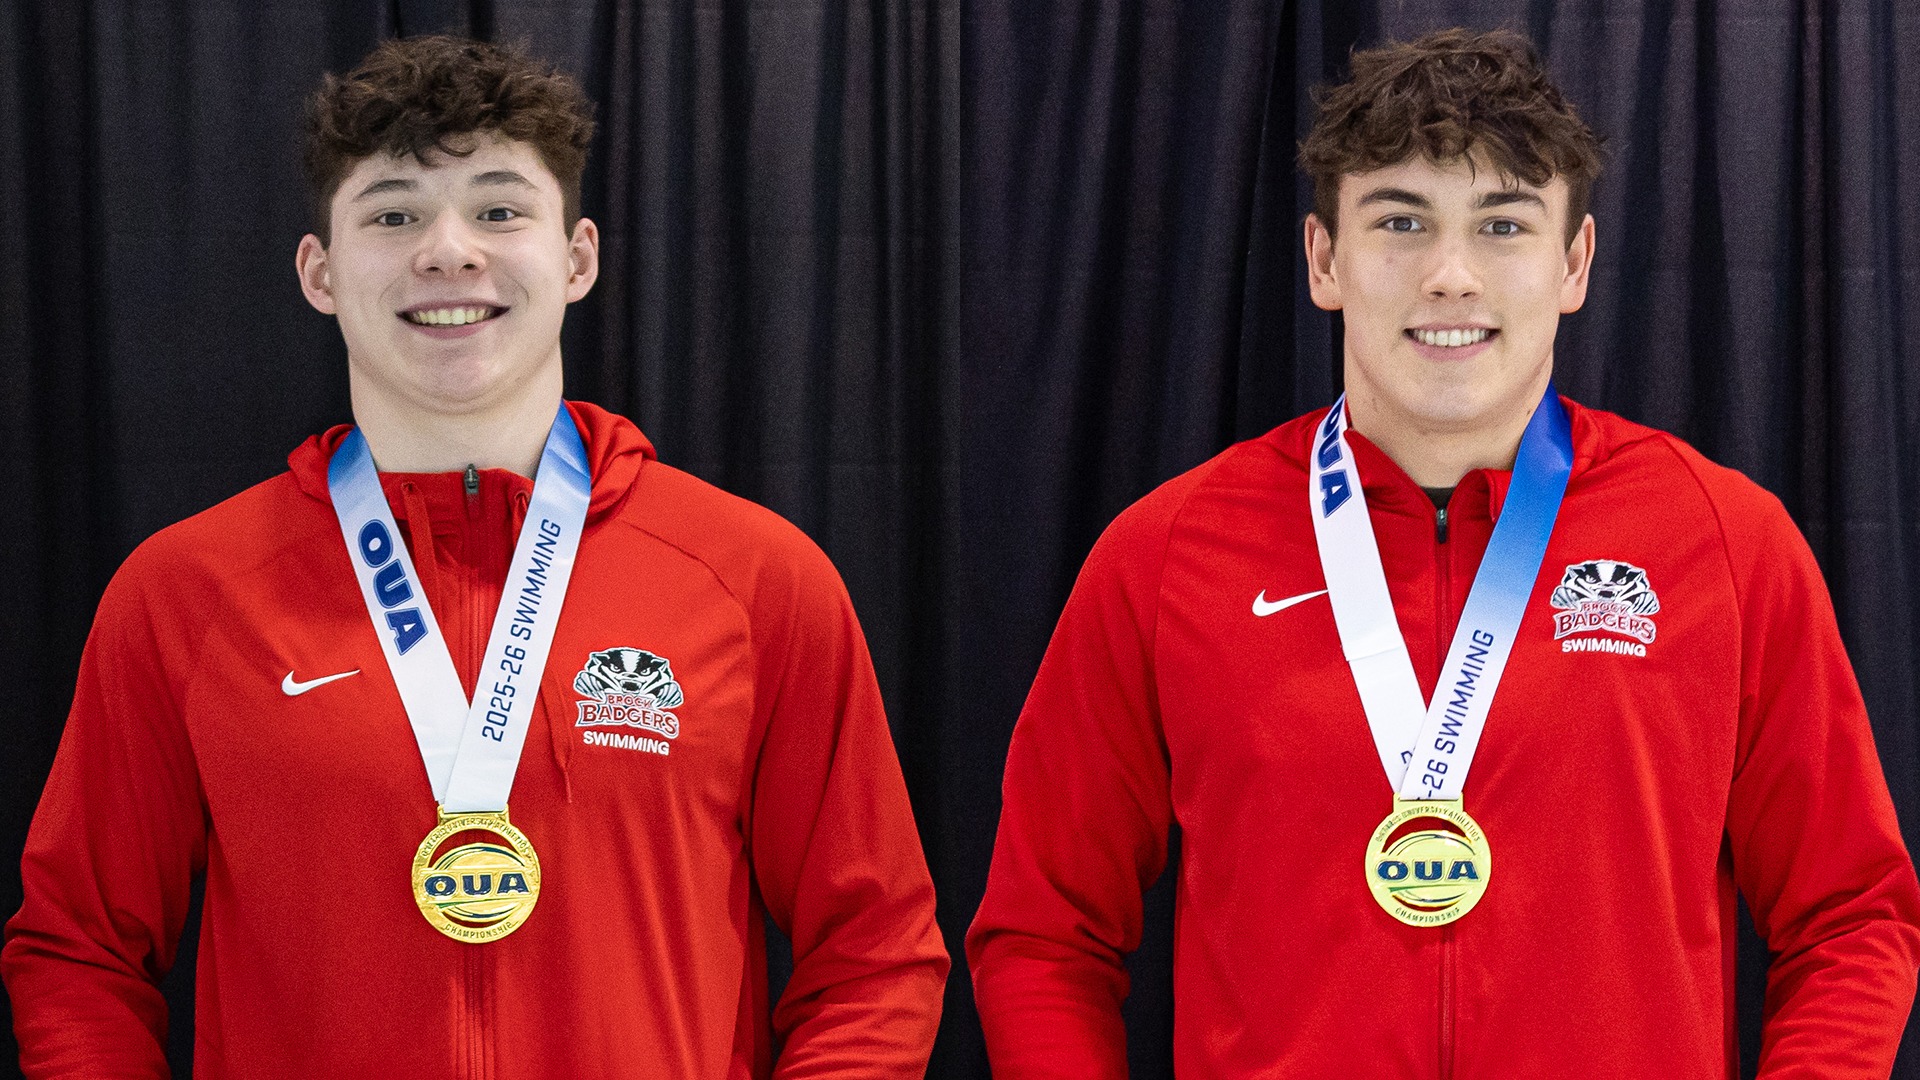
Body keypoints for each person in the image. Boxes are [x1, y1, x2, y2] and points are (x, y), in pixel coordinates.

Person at [966, 26, 1920, 1078]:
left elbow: (1853, 916)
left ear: (1575, 264)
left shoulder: (1726, 544)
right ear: (1325, 259)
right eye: (1402, 222)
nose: (1452, 276)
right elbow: (1043, 933)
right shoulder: (1164, 557)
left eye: (1503, 225)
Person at [3, 35, 946, 1077]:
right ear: (319, 272)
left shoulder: (756, 580)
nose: (448, 252)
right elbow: (77, 951)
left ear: (579, 257)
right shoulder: (186, 595)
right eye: (393, 213)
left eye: (499, 209)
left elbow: (874, 955)